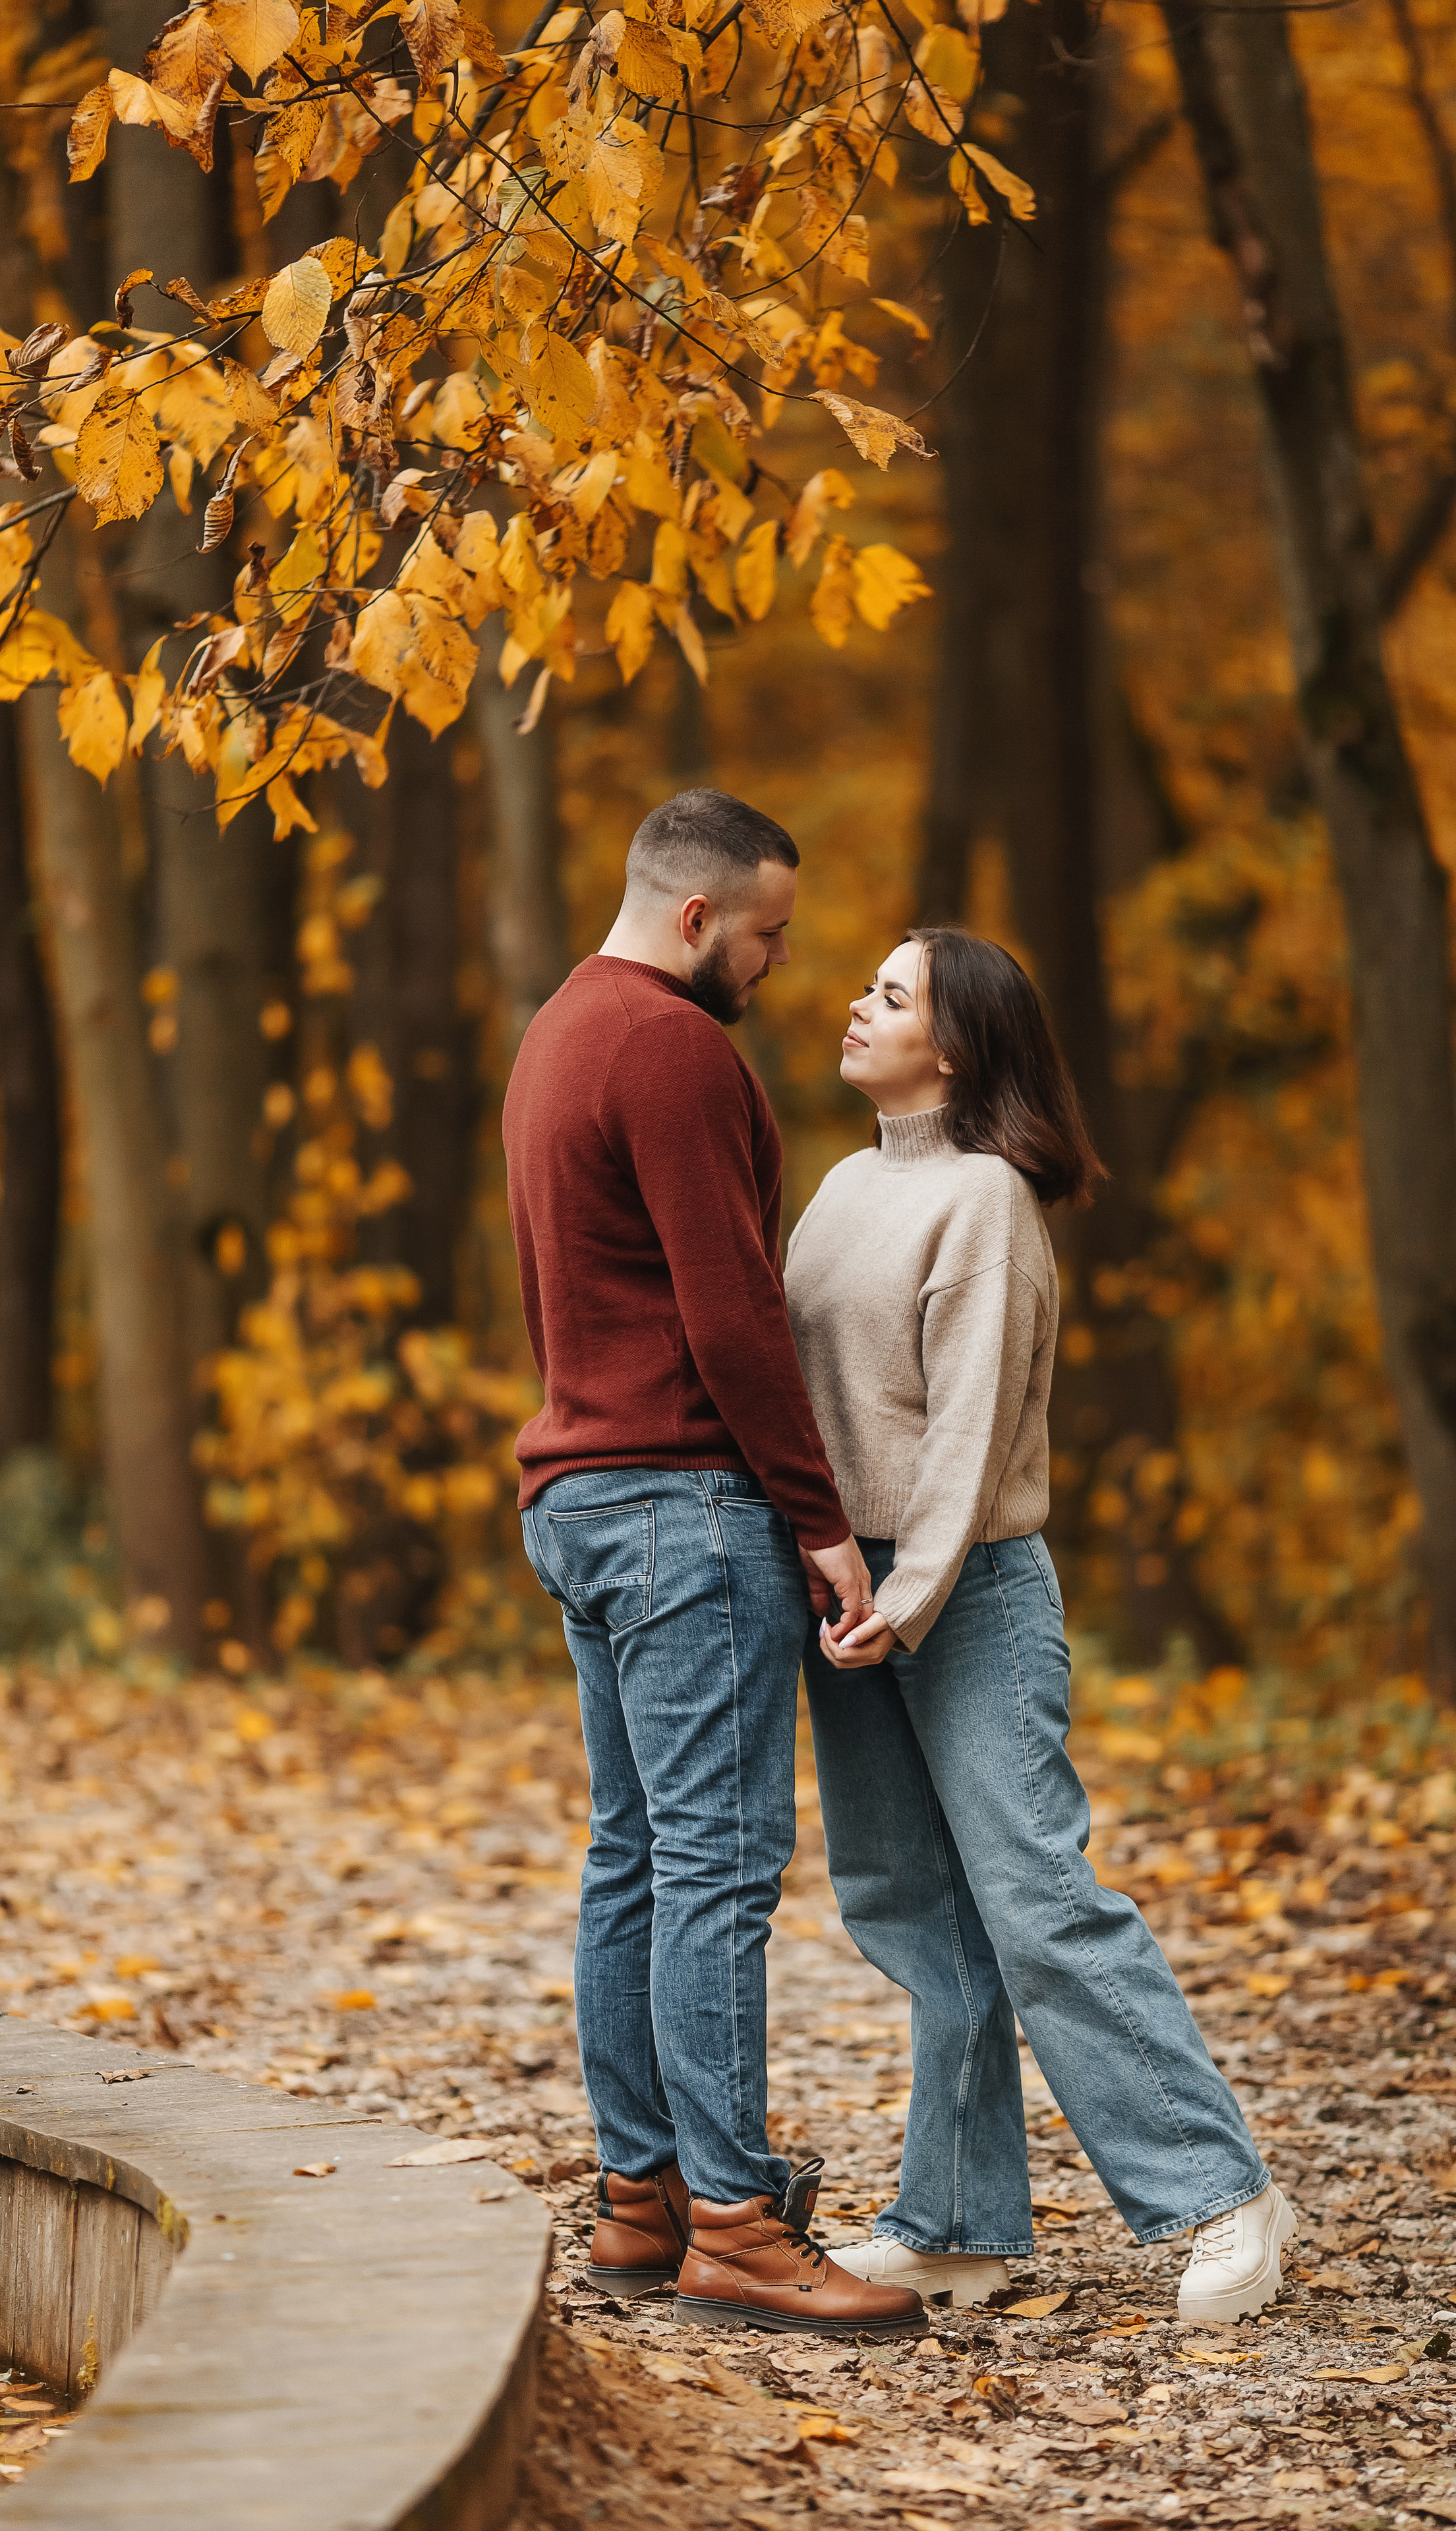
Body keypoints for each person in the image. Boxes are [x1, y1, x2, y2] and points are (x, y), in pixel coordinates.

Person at [783, 927, 1295, 2325]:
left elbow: (966, 1432)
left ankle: (1222, 2194)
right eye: (867, 986)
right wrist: (825, 1569)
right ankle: (956, 2222)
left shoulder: (986, 1203)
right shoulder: (839, 1188)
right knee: (905, 1902)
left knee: (1035, 1901)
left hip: (967, 1591)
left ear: (953, 1048)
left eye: (890, 994)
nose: (855, 1004)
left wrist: (906, 1597)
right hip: (848, 1590)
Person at [504, 788, 925, 2338]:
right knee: (714, 1865)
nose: (778, 961)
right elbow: (729, 1308)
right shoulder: (672, 1048)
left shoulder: (559, 1031)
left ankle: (646, 2196)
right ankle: (737, 2225)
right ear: (694, 917)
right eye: (765, 934)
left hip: (581, 1497)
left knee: (633, 1854)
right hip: (681, 1504)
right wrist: (817, 1520)